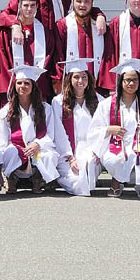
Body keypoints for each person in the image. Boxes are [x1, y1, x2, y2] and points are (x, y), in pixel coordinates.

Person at [89, 59, 140, 198]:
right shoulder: (106, 104)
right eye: (127, 80)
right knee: (113, 158)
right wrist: (108, 130)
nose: (131, 83)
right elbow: (94, 129)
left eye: (135, 80)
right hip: (114, 143)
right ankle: (116, 180)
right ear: (121, 81)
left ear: (139, 82)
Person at [0, 65, 60, 194]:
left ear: (33, 86)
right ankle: (11, 177)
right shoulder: (7, 110)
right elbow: (0, 139)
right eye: (19, 83)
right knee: (10, 152)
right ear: (14, 86)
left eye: (26, 83)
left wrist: (37, 144)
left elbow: (50, 134)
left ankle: (38, 177)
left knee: (48, 155)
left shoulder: (45, 108)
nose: (22, 86)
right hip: (16, 149)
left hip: (38, 147)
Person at [0, 0, 59, 100]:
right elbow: (3, 61)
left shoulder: (46, 33)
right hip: (13, 86)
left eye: (33, 5)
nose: (29, 9)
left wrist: (33, 81)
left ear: (37, 7)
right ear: (19, 6)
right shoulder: (6, 33)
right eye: (25, 5)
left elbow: (48, 59)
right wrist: (17, 82)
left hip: (37, 87)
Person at [52, 59, 104, 196]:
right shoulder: (58, 102)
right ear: (69, 79)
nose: (80, 81)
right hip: (68, 153)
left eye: (84, 77)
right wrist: (70, 158)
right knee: (78, 183)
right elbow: (59, 133)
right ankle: (61, 177)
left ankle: (88, 176)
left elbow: (103, 129)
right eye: (76, 77)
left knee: (88, 167)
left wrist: (98, 151)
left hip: (92, 151)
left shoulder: (99, 100)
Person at [55, 0, 115, 92]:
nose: (82, 5)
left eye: (87, 1)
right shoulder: (63, 25)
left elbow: (108, 58)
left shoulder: (101, 26)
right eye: (79, 1)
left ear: (92, 3)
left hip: (97, 85)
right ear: (72, 2)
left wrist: (109, 85)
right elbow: (58, 56)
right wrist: (60, 83)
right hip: (71, 86)